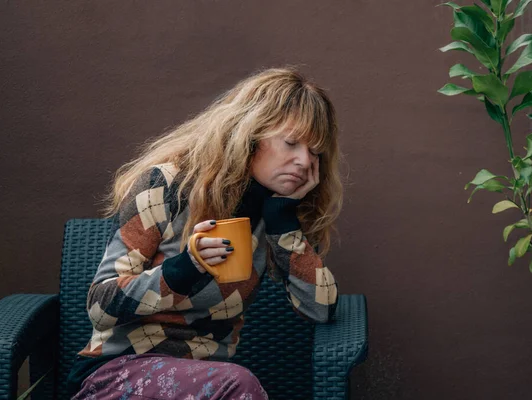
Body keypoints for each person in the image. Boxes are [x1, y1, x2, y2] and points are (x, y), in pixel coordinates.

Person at [67, 67, 342, 399]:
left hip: (208, 385)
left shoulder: (275, 213)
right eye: (291, 142)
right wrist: (184, 270)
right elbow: (100, 306)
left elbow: (321, 308)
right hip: (118, 373)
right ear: (249, 133)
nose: (303, 160)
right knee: (236, 384)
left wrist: (283, 222)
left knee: (231, 383)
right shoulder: (167, 186)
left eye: (314, 151)